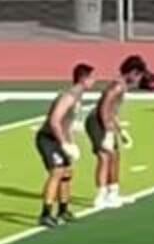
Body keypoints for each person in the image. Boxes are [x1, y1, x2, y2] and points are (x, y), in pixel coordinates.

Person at [35, 63, 94, 228]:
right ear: (83, 78)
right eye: (91, 77)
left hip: (60, 138)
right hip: (48, 138)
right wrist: (63, 143)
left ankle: (63, 210)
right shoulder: (68, 96)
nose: (94, 81)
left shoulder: (78, 97)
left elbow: (67, 123)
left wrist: (71, 143)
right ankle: (45, 213)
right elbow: (54, 121)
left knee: (67, 173)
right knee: (57, 172)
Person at [86, 55, 147, 211]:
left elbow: (113, 111)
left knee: (115, 157)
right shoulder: (117, 87)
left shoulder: (122, 86)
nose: (139, 79)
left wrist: (121, 131)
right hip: (97, 122)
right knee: (105, 157)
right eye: (139, 75)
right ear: (132, 72)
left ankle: (113, 193)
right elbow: (104, 108)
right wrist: (107, 132)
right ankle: (100, 197)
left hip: (107, 123)